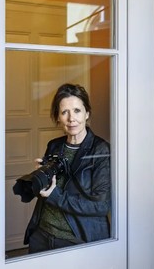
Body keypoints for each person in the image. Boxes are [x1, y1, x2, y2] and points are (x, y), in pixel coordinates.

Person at [24, 83, 111, 253]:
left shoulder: (100, 150)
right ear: (58, 117)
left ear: (87, 113)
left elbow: (101, 206)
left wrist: (56, 196)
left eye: (77, 111)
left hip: (76, 240)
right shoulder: (54, 146)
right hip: (42, 234)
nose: (72, 119)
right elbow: (46, 192)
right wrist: (39, 177)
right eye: (64, 112)